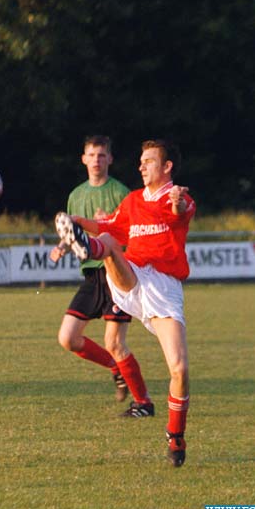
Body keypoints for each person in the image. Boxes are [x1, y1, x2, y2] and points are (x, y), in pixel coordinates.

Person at [54, 139, 195, 467]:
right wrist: (76, 220)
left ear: (167, 166)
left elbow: (180, 211)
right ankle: (92, 249)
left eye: (148, 161)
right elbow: (108, 226)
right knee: (107, 241)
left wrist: (177, 202)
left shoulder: (180, 197)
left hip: (164, 289)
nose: (141, 166)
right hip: (131, 277)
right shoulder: (132, 201)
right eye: (141, 161)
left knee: (180, 369)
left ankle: (176, 436)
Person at [49, 135, 153, 413]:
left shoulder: (121, 193)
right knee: (67, 338)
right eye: (91, 155)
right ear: (83, 159)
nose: (96, 160)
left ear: (110, 159)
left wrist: (108, 224)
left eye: (101, 155)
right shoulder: (76, 195)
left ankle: (143, 402)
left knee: (116, 342)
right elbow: (74, 232)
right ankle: (114, 367)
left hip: (115, 273)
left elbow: (135, 233)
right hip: (91, 278)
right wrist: (61, 247)